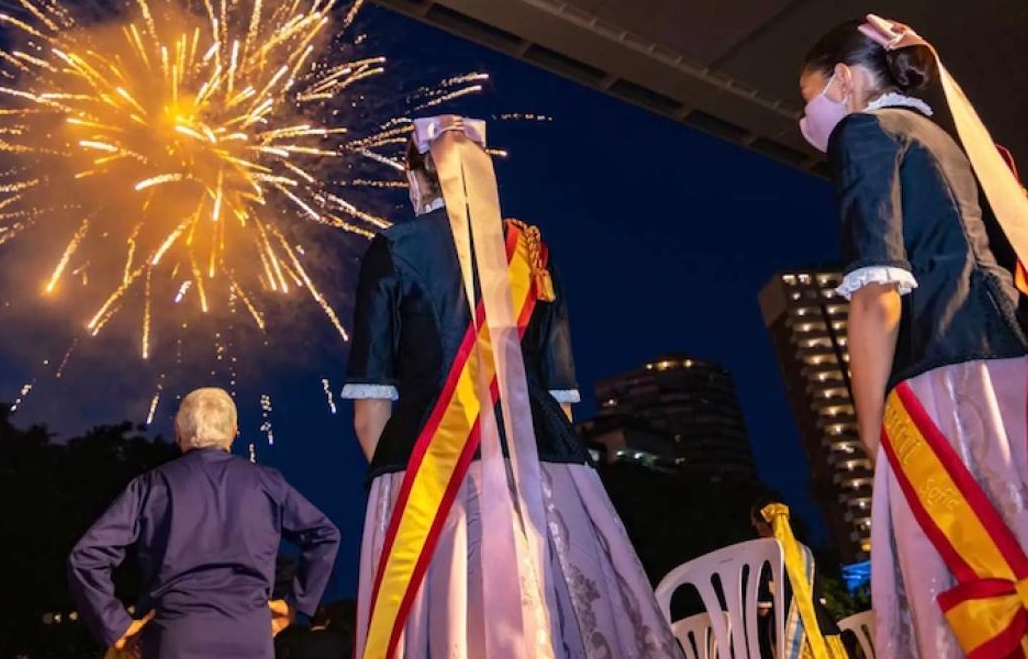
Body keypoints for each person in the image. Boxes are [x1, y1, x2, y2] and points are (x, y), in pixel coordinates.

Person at [343, 114, 678, 658]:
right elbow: (561, 394)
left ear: (414, 180)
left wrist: (403, 503)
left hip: (429, 470)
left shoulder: (393, 248)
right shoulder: (532, 252)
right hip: (546, 468)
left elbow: (370, 408)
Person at [798, 16, 1028, 658]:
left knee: (967, 578)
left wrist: (872, 433)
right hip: (1010, 369)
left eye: (807, 97)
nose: (806, 118)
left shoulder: (863, 131)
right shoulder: (948, 141)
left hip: (944, 384)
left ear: (843, 82)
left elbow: (876, 298)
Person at [68, 387, 341, 659]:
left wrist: (117, 625)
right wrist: (296, 604)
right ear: (234, 431)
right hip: (249, 636)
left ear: (178, 430)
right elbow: (324, 534)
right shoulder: (267, 483)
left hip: (174, 635)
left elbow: (86, 556)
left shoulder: (151, 486)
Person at [749, 500, 849, 659]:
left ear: (762, 523)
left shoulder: (766, 554)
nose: (755, 528)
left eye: (755, 523)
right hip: (825, 633)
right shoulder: (806, 552)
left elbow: (763, 609)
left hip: (791, 641)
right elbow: (820, 600)